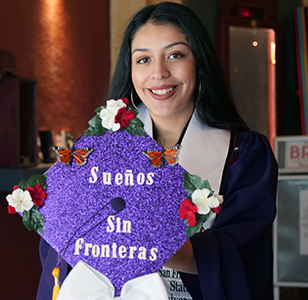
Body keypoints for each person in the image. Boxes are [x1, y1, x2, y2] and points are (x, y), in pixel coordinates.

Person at [36, 2, 278, 300]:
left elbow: (240, 251)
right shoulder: (98, 150)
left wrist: (136, 241)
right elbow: (61, 248)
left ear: (199, 62)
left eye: (175, 55)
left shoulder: (243, 153)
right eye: (143, 60)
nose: (159, 73)